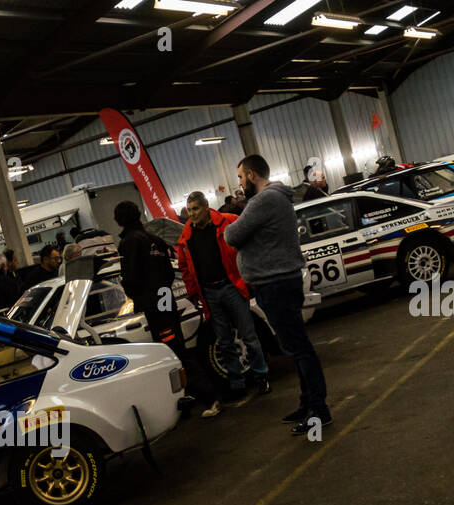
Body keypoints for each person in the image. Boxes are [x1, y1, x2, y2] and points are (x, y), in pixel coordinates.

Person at [223, 155, 329, 436]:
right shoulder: (277, 198)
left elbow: (231, 235)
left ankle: (319, 410)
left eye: (241, 177)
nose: (239, 183)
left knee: (299, 348)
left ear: (253, 174)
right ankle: (308, 403)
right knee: (296, 347)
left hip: (275, 284)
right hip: (281, 282)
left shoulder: (263, 200)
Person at [115, 200, 216, 416]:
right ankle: (188, 398)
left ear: (119, 220)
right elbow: (170, 271)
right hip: (164, 298)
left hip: (154, 304)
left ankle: (210, 397)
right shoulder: (155, 239)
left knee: (174, 352)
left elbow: (131, 277)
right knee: (174, 348)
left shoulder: (130, 242)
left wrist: (135, 294)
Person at [174, 190, 269, 404]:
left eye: (196, 209)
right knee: (224, 341)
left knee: (248, 335)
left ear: (206, 207)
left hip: (231, 288)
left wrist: (248, 277)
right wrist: (193, 293)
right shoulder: (186, 236)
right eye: (189, 210)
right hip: (209, 294)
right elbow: (184, 267)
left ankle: (261, 375)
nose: (192, 214)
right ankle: (237, 384)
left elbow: (250, 242)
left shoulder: (228, 222)